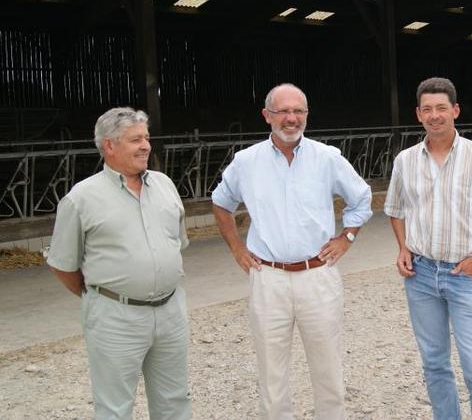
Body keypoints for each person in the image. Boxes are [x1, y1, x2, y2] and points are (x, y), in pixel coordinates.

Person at [211, 83, 372, 420]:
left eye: (298, 111)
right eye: (283, 111)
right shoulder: (246, 161)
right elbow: (221, 203)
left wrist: (348, 237)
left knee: (328, 369)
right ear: (267, 116)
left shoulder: (327, 158)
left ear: (307, 116)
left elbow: (361, 198)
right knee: (271, 375)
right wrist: (236, 248)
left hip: (318, 275)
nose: (291, 118)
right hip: (267, 278)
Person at [384, 77, 472, 420]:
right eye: (428, 109)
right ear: (418, 114)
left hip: (463, 275)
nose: (435, 116)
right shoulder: (405, 160)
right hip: (419, 276)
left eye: (442, 108)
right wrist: (403, 247)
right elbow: (396, 209)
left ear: (455, 111)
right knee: (434, 363)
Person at [46, 107, 191, 420]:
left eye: (147, 138)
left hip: (171, 311)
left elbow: (178, 243)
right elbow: (62, 264)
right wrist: (105, 296)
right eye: (135, 139)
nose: (146, 146)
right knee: (114, 408)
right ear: (108, 146)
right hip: (115, 317)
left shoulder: (165, 185)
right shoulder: (81, 198)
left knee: (175, 400)